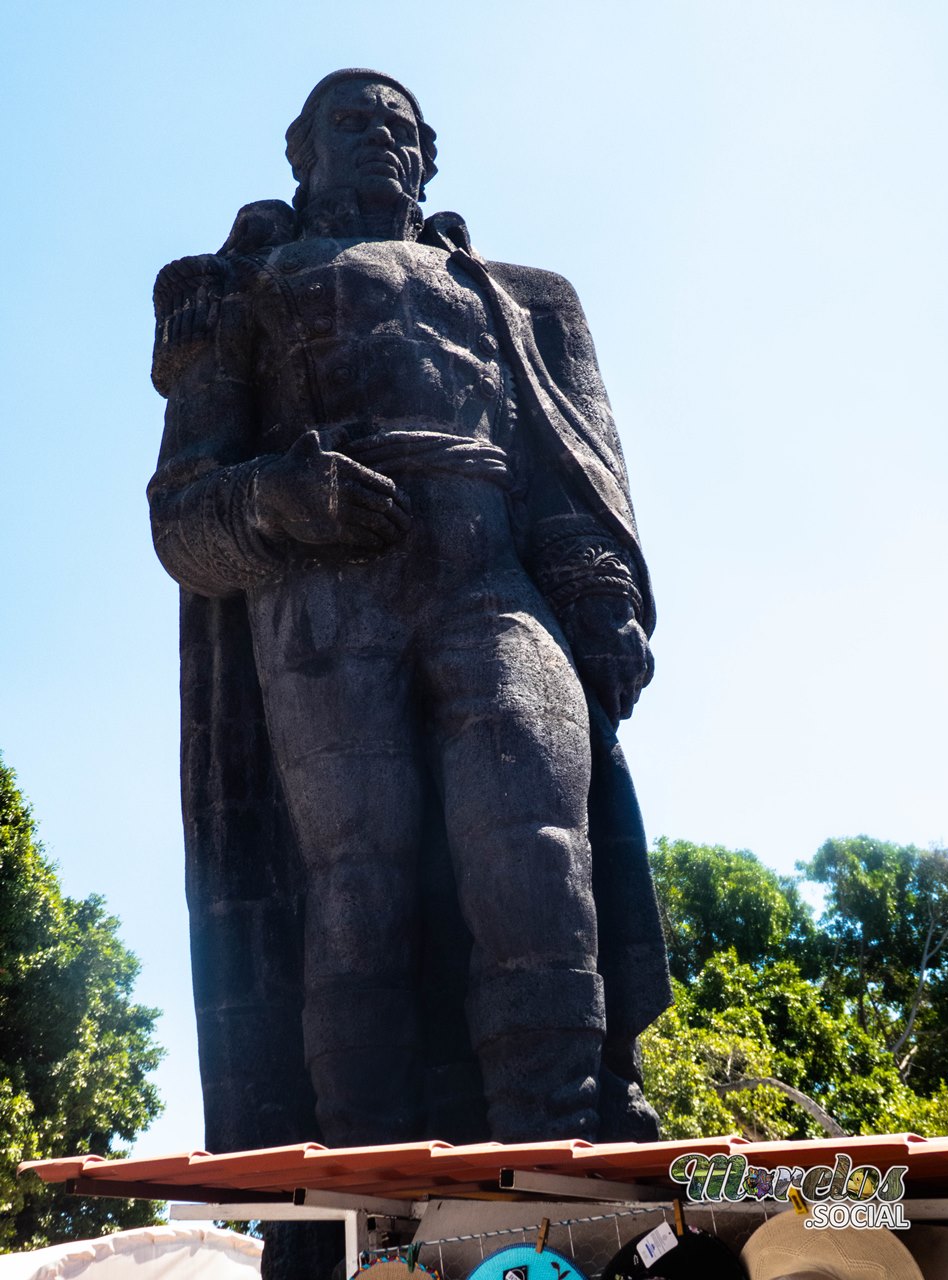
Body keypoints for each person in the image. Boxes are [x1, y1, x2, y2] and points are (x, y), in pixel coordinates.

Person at [149, 69, 670, 1152]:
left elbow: (567, 480)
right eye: (352, 121)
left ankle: (561, 1130)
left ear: (429, 157)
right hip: (327, 590)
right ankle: (364, 1157)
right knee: (356, 872)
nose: (381, 140)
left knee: (535, 841)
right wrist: (275, 499)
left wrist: (605, 597)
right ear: (301, 152)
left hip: (489, 578)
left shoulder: (524, 297)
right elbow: (182, 516)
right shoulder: (238, 288)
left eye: (400, 128)